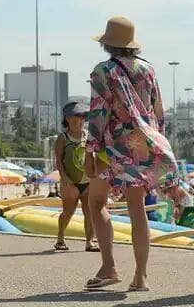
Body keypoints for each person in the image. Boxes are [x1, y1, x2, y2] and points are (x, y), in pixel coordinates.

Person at [83, 16, 176, 291]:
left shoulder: (103, 71)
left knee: (97, 202)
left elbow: (99, 113)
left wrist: (90, 149)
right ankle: (140, 276)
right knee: (138, 209)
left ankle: (109, 266)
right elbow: (158, 112)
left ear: (107, 44)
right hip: (142, 146)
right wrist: (154, 142)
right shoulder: (148, 70)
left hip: (111, 147)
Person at [53, 101, 96, 252]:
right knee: (68, 212)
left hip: (87, 180)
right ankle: (60, 238)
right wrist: (64, 179)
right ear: (68, 119)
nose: (79, 120)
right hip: (70, 181)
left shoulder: (88, 137)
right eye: (76, 116)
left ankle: (89, 242)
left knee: (89, 211)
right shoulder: (63, 138)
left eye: (82, 117)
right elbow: (58, 160)